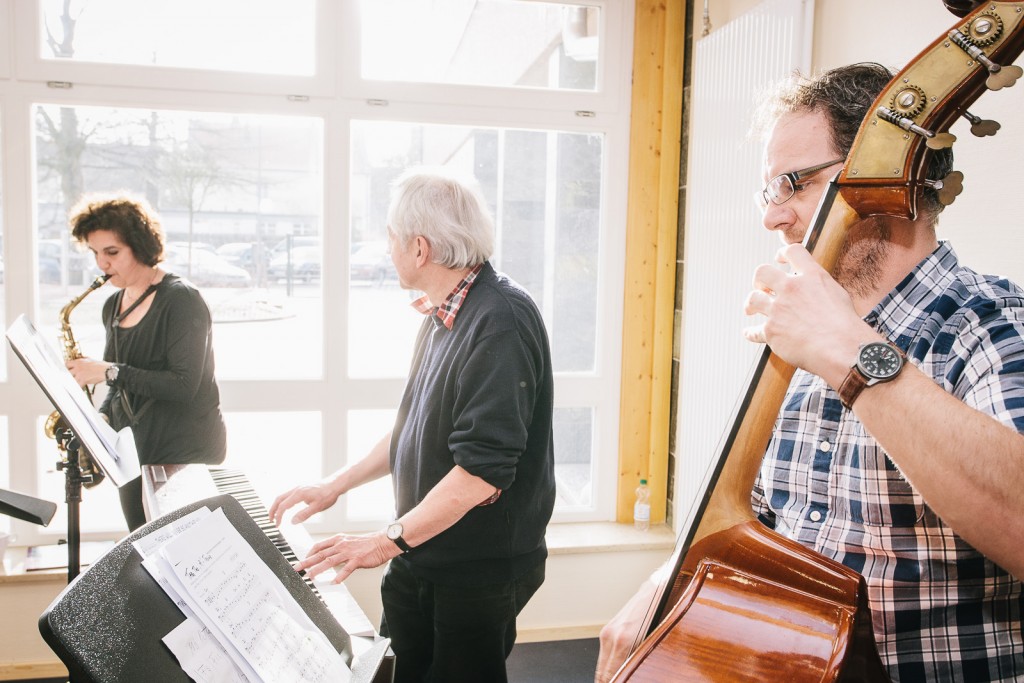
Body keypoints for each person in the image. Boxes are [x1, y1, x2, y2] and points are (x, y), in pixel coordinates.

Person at [596, 62, 1024, 682]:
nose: (773, 219)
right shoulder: (807, 329)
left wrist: (851, 353)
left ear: (882, 177)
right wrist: (666, 587)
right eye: (768, 192)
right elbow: (755, 516)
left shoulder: (991, 321)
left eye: (791, 184)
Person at [269, 167, 556, 683]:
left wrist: (382, 542)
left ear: (419, 248)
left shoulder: (500, 319)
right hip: (423, 548)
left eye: (392, 239)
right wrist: (334, 486)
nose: (388, 251)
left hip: (477, 566)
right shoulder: (444, 312)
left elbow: (481, 473)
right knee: (396, 670)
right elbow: (413, 426)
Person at [65, 194, 227, 532]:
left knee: (182, 564)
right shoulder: (112, 305)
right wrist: (101, 418)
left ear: (140, 245)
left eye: (112, 252)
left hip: (184, 450)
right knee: (144, 552)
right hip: (136, 451)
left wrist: (108, 372)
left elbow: (183, 386)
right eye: (95, 253)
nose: (102, 265)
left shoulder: (181, 299)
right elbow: (118, 383)